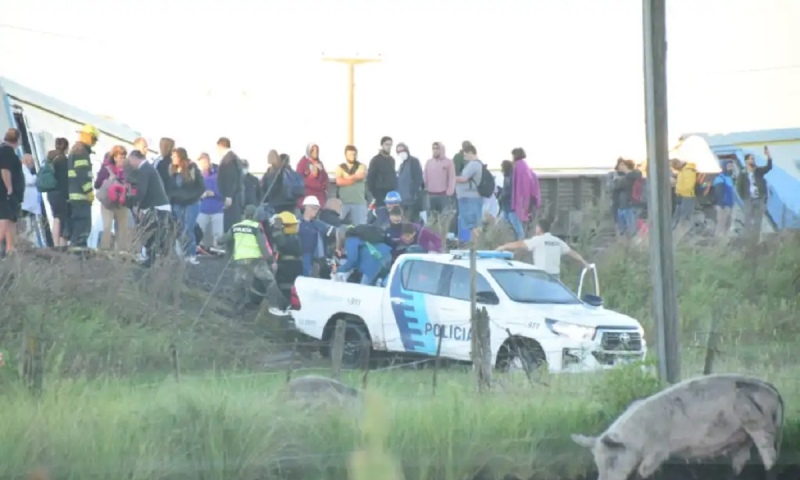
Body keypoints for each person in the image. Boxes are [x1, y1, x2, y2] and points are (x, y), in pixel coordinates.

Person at [219, 204, 288, 316]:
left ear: (245, 214)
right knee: (269, 281)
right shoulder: (256, 227)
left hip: (240, 260)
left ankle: (236, 310)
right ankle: (283, 306)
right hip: (256, 261)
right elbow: (263, 246)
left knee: (239, 284)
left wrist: (220, 242)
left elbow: (223, 239)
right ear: (255, 215)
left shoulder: (236, 226)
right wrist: (271, 261)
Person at [496, 218, 589, 280]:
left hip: (541, 275)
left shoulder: (538, 240)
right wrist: (584, 262)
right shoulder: (557, 241)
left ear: (539, 229)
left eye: (537, 227)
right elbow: (572, 253)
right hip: (555, 277)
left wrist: (504, 246)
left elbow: (520, 244)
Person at [125, 150, 172, 267]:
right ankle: (157, 259)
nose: (131, 164)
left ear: (136, 158)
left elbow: (142, 192)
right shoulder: (149, 169)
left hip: (157, 206)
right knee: (157, 234)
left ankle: (152, 260)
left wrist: (134, 203)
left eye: (130, 161)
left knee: (150, 233)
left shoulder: (144, 169)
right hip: (160, 205)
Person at [166, 147, 205, 264]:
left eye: (174, 156)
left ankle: (190, 254)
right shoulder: (171, 170)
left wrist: (191, 196)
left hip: (191, 203)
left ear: (181, 157)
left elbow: (201, 187)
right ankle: (181, 253)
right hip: (177, 203)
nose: (172, 158)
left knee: (188, 228)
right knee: (179, 228)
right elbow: (169, 187)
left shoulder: (192, 169)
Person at [67, 124, 99, 249]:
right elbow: (82, 174)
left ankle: (76, 255)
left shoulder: (75, 149)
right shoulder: (81, 151)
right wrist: (89, 191)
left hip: (74, 197)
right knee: (82, 231)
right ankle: (77, 258)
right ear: (90, 138)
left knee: (77, 231)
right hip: (81, 198)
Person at [95, 145, 131, 251]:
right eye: (120, 157)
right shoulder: (107, 168)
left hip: (121, 203)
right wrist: (107, 181)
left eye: (124, 157)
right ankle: (104, 252)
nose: (122, 160)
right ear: (114, 157)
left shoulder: (127, 170)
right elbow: (97, 184)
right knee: (107, 228)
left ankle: (121, 254)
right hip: (108, 203)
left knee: (122, 229)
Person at [737, 147, 773, 242]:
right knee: (748, 219)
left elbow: (769, 167)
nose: (753, 160)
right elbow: (739, 187)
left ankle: (755, 241)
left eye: (753, 158)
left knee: (758, 221)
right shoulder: (743, 173)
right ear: (746, 161)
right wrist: (744, 198)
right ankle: (747, 240)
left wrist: (768, 155)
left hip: (759, 198)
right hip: (748, 199)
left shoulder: (758, 171)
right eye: (751, 159)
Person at [297, 195, 335, 277]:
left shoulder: (319, 224)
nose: (315, 211)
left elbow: (333, 231)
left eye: (317, 208)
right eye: (313, 208)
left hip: (315, 257)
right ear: (305, 207)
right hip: (300, 256)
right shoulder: (297, 223)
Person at [454, 144, 484, 243]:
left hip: (469, 198)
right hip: (468, 198)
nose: (465, 157)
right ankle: (471, 244)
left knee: (471, 224)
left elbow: (464, 178)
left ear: (471, 152)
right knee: (468, 224)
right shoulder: (475, 164)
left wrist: (451, 178)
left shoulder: (474, 164)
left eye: (466, 155)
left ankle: (473, 244)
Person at [366, 136, 397, 226]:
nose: (388, 147)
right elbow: (370, 177)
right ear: (382, 145)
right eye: (386, 144)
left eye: (390, 145)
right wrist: (375, 193)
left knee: (391, 218)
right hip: (379, 193)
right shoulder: (375, 160)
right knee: (381, 217)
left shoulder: (392, 160)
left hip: (391, 193)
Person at [196, 152, 225, 253]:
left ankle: (218, 250)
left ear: (209, 161)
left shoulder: (218, 175)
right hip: (203, 208)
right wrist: (200, 194)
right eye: (201, 163)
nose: (203, 165)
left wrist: (214, 193)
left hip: (217, 208)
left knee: (218, 233)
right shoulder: (199, 176)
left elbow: (224, 191)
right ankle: (200, 250)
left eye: (204, 162)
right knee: (199, 231)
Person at [216, 137, 244, 232]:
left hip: (230, 196)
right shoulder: (234, 158)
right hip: (234, 195)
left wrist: (228, 195)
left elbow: (230, 178)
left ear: (221, 146)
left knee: (230, 223)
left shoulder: (228, 159)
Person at [46, 137, 70, 247]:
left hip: (50, 192)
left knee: (56, 217)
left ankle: (55, 244)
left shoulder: (49, 158)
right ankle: (61, 244)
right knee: (63, 218)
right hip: (60, 192)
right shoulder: (63, 160)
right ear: (66, 147)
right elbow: (64, 180)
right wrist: (68, 196)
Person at [335, 145, 368, 225]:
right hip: (343, 203)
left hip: (359, 202)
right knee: (339, 225)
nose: (352, 156)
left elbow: (361, 176)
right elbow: (339, 181)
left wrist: (346, 177)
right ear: (345, 155)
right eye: (350, 154)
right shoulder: (340, 167)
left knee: (360, 226)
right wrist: (353, 179)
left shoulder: (361, 166)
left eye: (354, 154)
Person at [423, 142, 456, 221]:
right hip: (431, 195)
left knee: (444, 220)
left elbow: (452, 178)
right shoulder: (429, 162)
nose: (435, 150)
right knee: (431, 220)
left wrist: (449, 192)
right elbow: (425, 176)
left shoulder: (448, 162)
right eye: (433, 148)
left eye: (437, 148)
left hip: (443, 195)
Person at [395, 142, 424, 222]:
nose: (401, 153)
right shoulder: (402, 165)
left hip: (411, 200)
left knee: (410, 223)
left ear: (407, 150)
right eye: (398, 151)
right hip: (402, 200)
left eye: (402, 150)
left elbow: (418, 178)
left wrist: (413, 193)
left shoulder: (414, 161)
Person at [296, 143, 329, 208]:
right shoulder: (303, 162)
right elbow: (298, 178)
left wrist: (324, 187)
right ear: (309, 151)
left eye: (317, 151)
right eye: (313, 150)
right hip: (307, 196)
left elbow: (325, 178)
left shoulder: (320, 164)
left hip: (319, 197)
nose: (315, 152)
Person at [712, 160, 736, 237]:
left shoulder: (730, 178)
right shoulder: (720, 178)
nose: (731, 168)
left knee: (727, 223)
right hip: (722, 205)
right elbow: (718, 192)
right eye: (729, 166)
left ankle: (724, 238)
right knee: (721, 222)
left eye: (732, 166)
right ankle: (718, 238)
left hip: (729, 204)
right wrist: (720, 203)